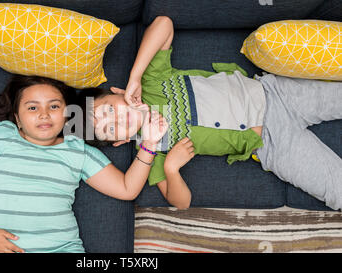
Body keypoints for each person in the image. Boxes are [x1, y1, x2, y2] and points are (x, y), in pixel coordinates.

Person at [78, 16, 342, 210]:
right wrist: (172, 169)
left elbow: (163, 24)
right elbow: (181, 203)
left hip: (275, 93)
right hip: (272, 144)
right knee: (336, 187)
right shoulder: (153, 150)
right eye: (110, 128)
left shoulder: (151, 81)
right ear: (121, 141)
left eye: (109, 109)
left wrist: (135, 76)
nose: (117, 119)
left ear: (117, 91)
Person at [0, 75, 167, 253]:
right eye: (33, 108)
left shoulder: (78, 151)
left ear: (66, 116)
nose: (44, 114)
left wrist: (149, 143)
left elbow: (127, 189)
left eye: (54, 106)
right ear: (18, 119)